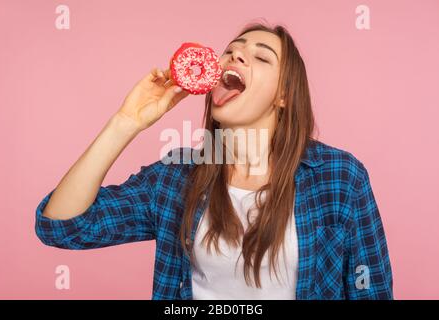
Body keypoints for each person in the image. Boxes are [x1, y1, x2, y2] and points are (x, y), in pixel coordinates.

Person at [35, 22, 393, 300]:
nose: (236, 56)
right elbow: (63, 227)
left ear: (284, 95)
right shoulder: (176, 177)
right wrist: (125, 123)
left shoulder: (340, 178)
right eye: (231, 51)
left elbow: (371, 290)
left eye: (261, 56)